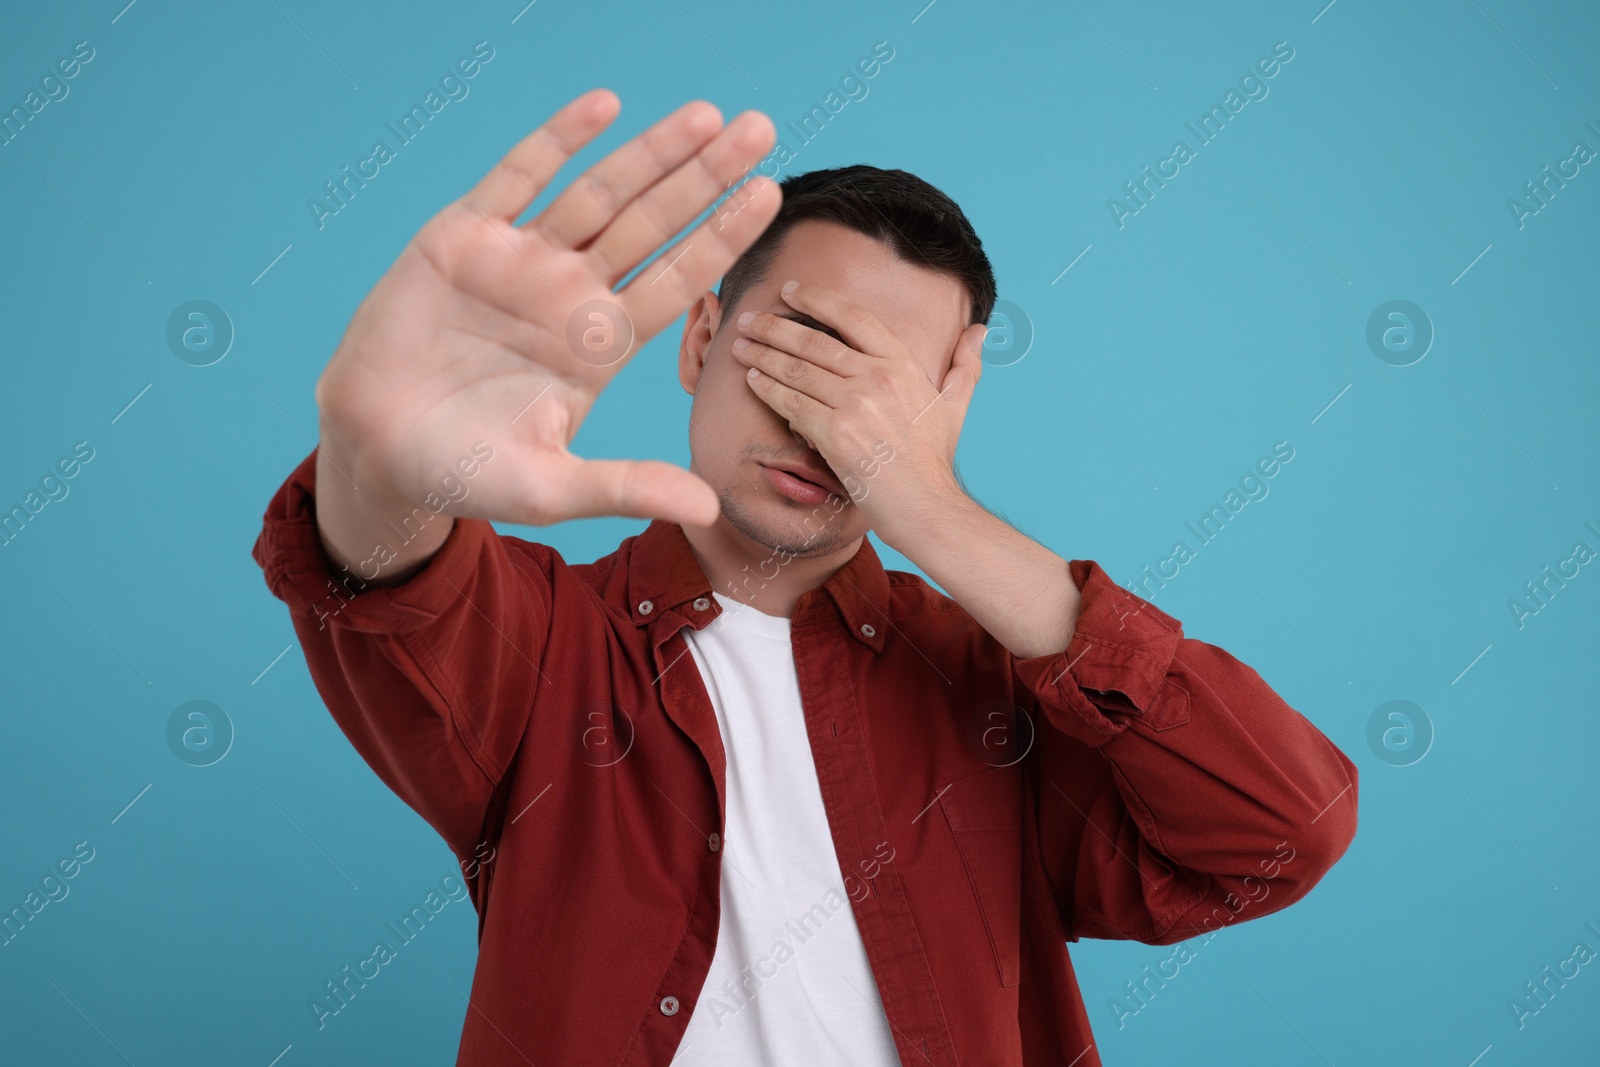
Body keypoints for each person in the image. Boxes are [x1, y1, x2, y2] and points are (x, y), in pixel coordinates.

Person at [251, 88, 1358, 1066]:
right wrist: (380, 461)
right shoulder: (549, 647)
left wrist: (932, 506)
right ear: (699, 340)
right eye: (794, 353)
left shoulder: (995, 693)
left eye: (869, 391)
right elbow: (389, 581)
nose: (818, 422)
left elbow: (1280, 828)